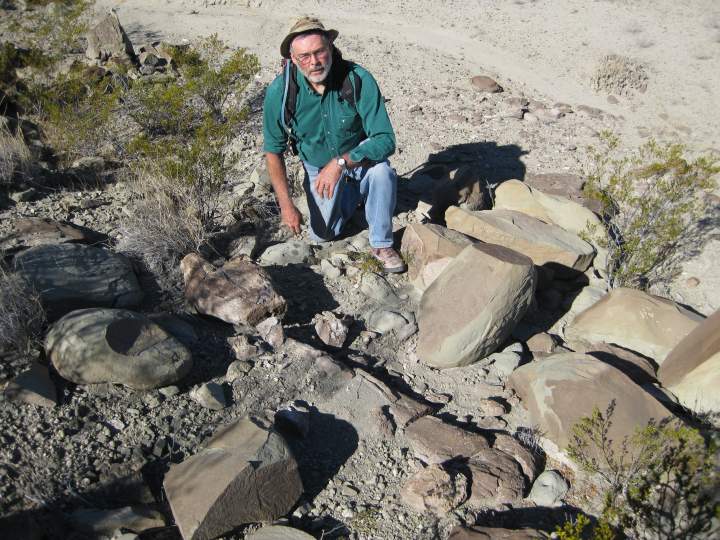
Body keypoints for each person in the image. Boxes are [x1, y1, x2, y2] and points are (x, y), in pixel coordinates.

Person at [262, 16, 406, 273]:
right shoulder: (281, 92)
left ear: (331, 47)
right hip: (317, 168)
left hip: (359, 159)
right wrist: (286, 205)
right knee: (323, 235)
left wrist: (341, 162)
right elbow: (273, 151)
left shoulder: (356, 79)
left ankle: (382, 243)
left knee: (382, 172)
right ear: (293, 59)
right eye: (304, 56)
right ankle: (355, 195)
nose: (314, 62)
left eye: (319, 52)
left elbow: (385, 139)